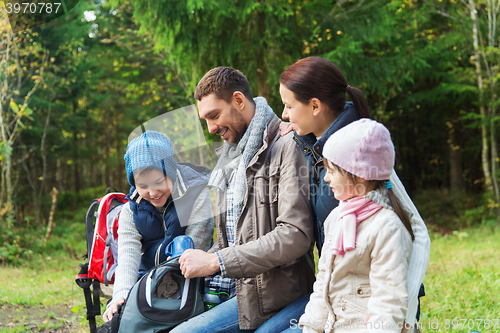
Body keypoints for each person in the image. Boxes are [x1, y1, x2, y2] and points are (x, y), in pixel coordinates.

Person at [266, 56, 429, 331]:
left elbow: (413, 234)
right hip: (337, 293)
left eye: (289, 106)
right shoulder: (312, 147)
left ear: (315, 106)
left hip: (370, 302)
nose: (284, 114)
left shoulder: (362, 152)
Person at [170, 66, 315, 332]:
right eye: (205, 120)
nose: (211, 127)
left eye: (214, 116)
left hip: (280, 295)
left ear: (238, 100)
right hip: (241, 294)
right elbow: (231, 241)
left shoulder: (286, 146)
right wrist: (203, 258)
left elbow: (295, 235)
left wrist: (217, 262)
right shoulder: (230, 159)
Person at [284, 119, 415, 332]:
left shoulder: (388, 228)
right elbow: (323, 284)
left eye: (332, 171)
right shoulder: (337, 218)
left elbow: (388, 304)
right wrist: (310, 328)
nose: (326, 178)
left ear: (360, 176)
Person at [102, 130, 214, 322]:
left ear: (170, 173)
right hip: (148, 279)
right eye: (142, 185)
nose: (153, 192)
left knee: (183, 244)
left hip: (191, 277)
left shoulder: (197, 194)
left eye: (159, 182)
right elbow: (128, 255)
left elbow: (198, 245)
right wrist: (121, 295)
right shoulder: (131, 209)